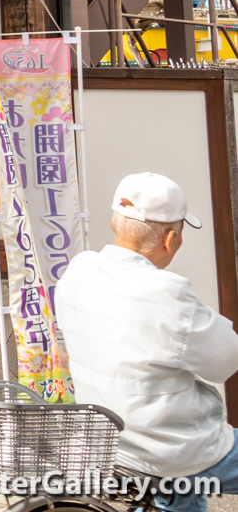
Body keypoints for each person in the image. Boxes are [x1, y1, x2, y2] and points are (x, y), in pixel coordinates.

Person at [55, 173, 238, 512]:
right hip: (174, 448)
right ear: (171, 239)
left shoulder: (78, 272)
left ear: (114, 223)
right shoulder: (166, 292)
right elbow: (226, 359)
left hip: (113, 445)